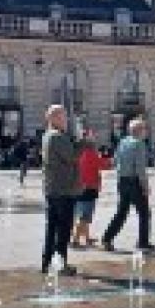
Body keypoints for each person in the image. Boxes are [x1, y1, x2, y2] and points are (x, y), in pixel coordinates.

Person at [102, 118, 155, 253]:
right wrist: (145, 186)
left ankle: (107, 238)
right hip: (134, 182)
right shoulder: (139, 144)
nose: (146, 132)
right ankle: (143, 242)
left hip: (122, 181)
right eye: (144, 129)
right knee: (144, 213)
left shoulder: (123, 142)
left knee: (121, 212)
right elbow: (140, 169)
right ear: (139, 131)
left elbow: (114, 161)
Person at [39, 106, 80, 275]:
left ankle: (47, 262)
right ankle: (60, 264)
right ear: (54, 118)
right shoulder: (57, 137)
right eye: (63, 117)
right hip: (63, 189)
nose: (66, 120)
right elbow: (72, 157)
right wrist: (84, 143)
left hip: (52, 188)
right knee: (63, 229)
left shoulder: (47, 135)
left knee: (52, 227)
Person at [72, 131, 109, 249]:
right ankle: (75, 240)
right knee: (84, 216)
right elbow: (103, 165)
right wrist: (110, 160)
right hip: (89, 188)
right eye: (93, 139)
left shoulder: (77, 153)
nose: (95, 140)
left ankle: (87, 238)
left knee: (81, 213)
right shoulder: (91, 153)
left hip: (77, 187)